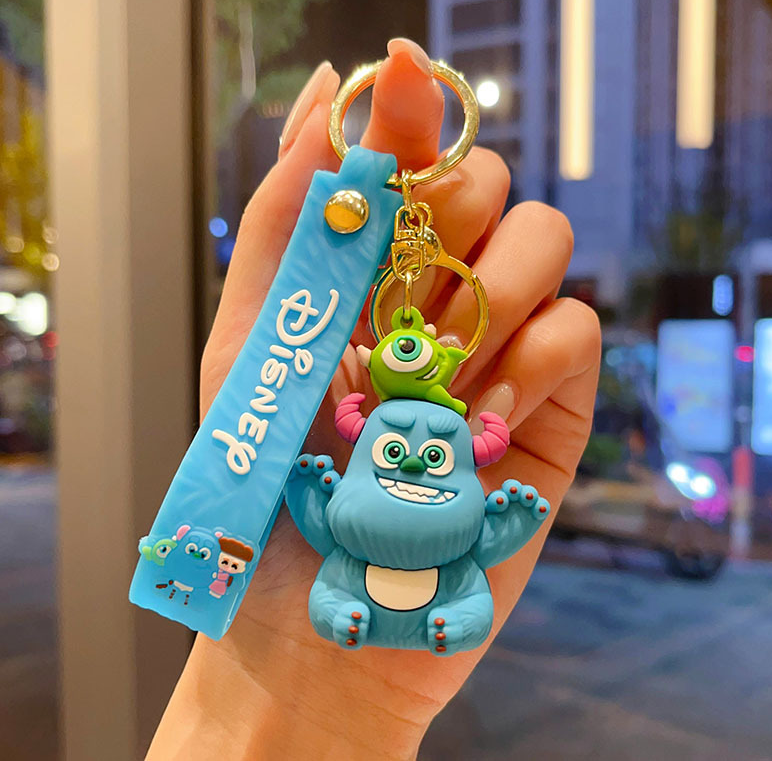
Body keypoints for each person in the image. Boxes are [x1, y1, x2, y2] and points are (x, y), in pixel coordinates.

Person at [147, 38, 600, 759]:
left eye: (433, 456)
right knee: (349, 590)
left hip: (421, 591)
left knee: (455, 596)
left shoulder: (431, 487)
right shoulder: (360, 459)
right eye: (398, 451)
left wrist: (508, 515)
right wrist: (300, 484)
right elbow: (322, 520)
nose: (416, 465)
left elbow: (483, 539)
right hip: (342, 583)